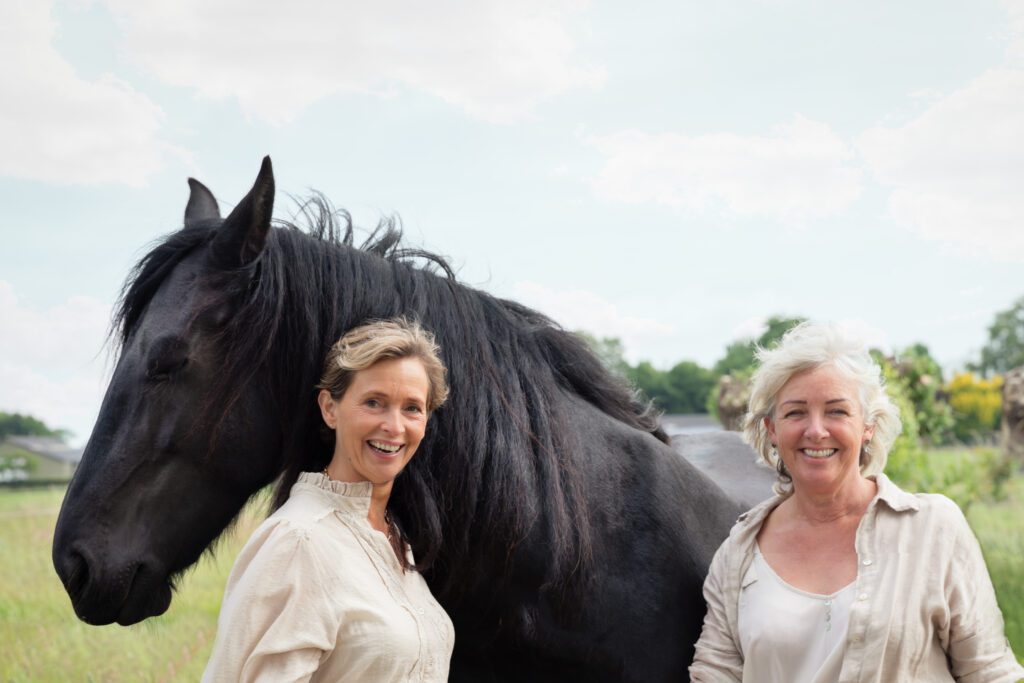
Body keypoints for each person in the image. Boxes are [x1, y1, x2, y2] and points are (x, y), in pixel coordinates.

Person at [690, 322, 1023, 682]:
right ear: (772, 429)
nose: (816, 430)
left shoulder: (933, 529)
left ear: (868, 426)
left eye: (837, 411)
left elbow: (987, 671)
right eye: (795, 412)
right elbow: (715, 675)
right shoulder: (737, 555)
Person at [202, 318, 454, 682]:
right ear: (329, 408)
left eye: (412, 408)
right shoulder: (298, 540)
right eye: (374, 402)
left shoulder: (392, 537)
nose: (395, 427)